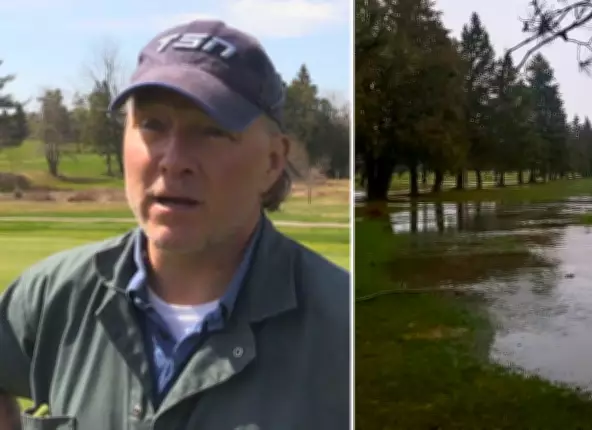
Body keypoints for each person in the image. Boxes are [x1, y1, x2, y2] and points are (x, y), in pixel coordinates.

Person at [0, 19, 350, 429]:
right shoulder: (51, 294)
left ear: (273, 161)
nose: (173, 159)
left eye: (211, 131)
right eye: (152, 125)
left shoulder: (342, 330)